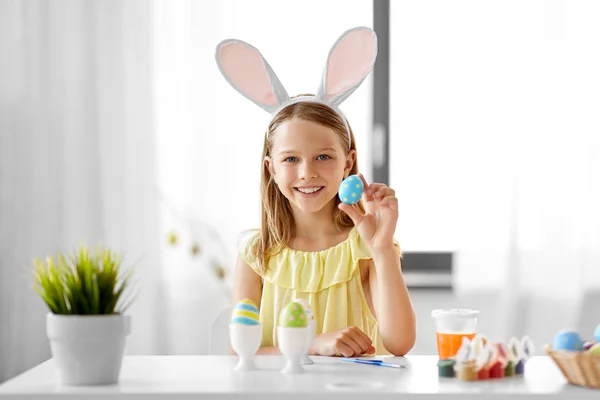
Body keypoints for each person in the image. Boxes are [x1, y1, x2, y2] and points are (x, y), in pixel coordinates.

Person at [216, 26, 415, 357]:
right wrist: (310, 344)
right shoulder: (256, 253)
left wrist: (381, 250)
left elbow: (400, 342)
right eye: (291, 159)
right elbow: (240, 352)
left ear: (348, 163)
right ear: (271, 169)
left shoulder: (365, 248)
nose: (307, 172)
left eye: (323, 157)